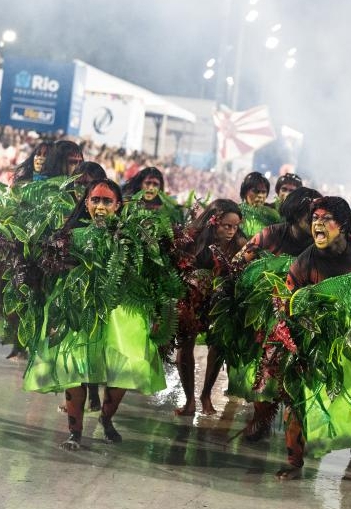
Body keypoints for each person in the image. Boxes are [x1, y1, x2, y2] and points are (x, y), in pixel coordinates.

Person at [23, 179, 167, 449]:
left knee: (128, 366)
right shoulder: (69, 236)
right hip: (77, 310)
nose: (100, 206)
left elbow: (148, 277)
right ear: (86, 203)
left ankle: (106, 418)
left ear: (118, 205)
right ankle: (74, 433)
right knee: (72, 369)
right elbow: (50, 273)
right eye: (96, 200)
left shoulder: (131, 237)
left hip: (121, 313)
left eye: (107, 201)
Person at [278, 196, 351, 481]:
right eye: (314, 218)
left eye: (325, 218)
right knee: (297, 403)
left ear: (342, 225)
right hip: (316, 340)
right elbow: (285, 300)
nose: (317, 223)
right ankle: (294, 461)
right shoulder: (305, 261)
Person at [233, 186, 322, 441]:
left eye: (319, 217)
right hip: (268, 315)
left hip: (306, 316)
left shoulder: (321, 241)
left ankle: (298, 431)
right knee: (265, 369)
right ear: (295, 214)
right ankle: (261, 417)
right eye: (311, 217)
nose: (317, 222)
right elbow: (240, 260)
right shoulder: (272, 234)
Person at [174, 198, 247, 416]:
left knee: (218, 346)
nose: (232, 231)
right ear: (213, 221)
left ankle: (206, 395)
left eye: (235, 226)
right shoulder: (192, 239)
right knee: (185, 346)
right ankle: (189, 401)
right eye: (227, 226)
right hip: (191, 300)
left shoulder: (240, 244)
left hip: (221, 302)